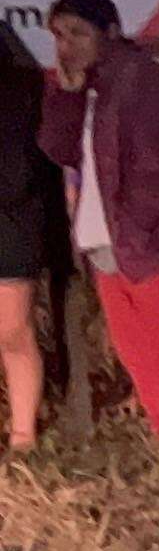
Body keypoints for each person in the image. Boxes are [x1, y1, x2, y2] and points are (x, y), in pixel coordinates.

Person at [38, 0, 159, 440]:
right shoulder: (86, 87)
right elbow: (58, 149)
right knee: (135, 343)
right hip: (102, 237)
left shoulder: (143, 80)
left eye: (78, 33)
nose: (66, 45)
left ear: (110, 32)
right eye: (59, 35)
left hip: (146, 236)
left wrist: (144, 221)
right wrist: (67, 96)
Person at [0, 28, 57, 450]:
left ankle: (23, 435)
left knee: (12, 331)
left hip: (10, 228)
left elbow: (18, 174)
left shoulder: (17, 97)